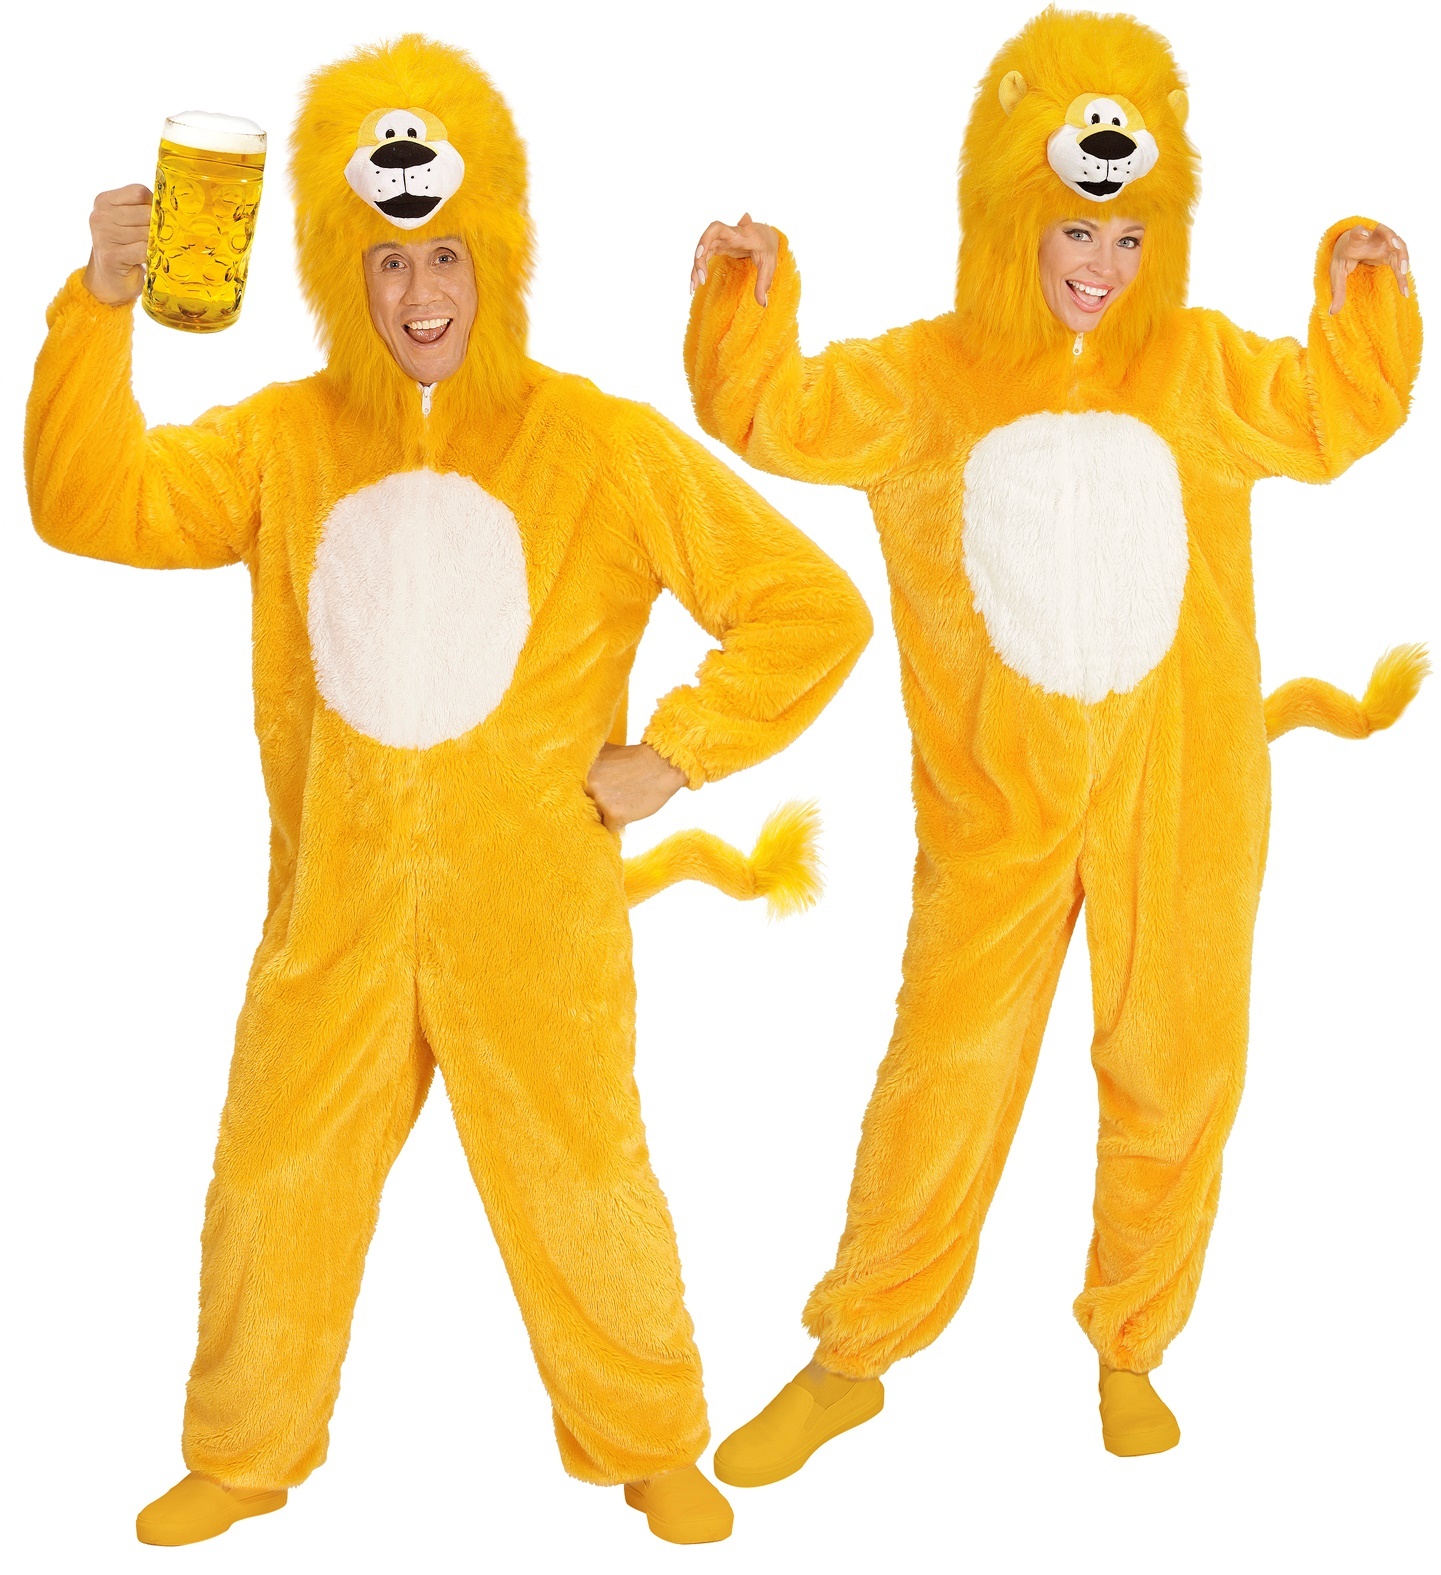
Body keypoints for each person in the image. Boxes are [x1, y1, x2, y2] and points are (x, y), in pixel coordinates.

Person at [24, 35, 872, 1547]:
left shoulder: (595, 443)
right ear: (336, 272)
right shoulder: (285, 440)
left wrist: (673, 753)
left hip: (532, 908)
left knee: (581, 1180)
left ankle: (648, 1439)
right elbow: (91, 504)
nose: (419, 295)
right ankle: (246, 1451)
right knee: (274, 1177)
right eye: (385, 263)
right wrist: (96, 311)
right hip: (337, 911)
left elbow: (809, 608)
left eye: (445, 259)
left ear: (497, 260)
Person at [683, 8, 1421, 1481]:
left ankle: (1129, 1345)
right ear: (1007, 218)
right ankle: (852, 1356)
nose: (1101, 267)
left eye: (1131, 239)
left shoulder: (1197, 368)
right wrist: (744, 293)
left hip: (1183, 790)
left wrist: (1361, 290)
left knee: (1177, 1065)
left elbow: (1335, 413)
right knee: (943, 1074)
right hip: (997, 805)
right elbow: (772, 411)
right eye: (1076, 232)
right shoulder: (929, 378)